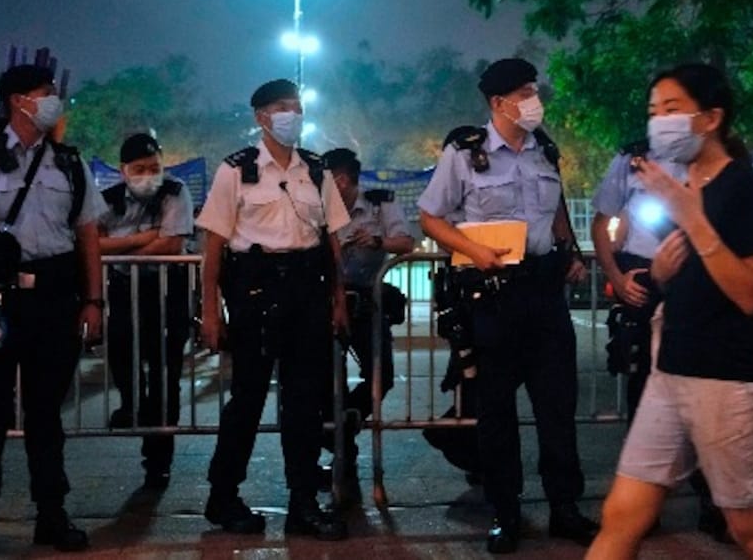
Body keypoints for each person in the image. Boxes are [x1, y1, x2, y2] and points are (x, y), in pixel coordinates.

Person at [588, 64, 753, 560]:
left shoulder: (741, 189)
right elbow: (694, 275)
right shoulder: (677, 187)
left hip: (728, 379)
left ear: (711, 117)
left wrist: (693, 220)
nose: (659, 122)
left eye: (672, 110)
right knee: (622, 514)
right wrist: (663, 272)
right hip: (671, 368)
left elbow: (751, 295)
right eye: (654, 111)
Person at [418, 57, 599, 554]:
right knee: (497, 411)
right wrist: (472, 251)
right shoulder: (464, 151)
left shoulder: (545, 149)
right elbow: (430, 216)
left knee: (557, 404)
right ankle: (506, 512)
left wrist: (571, 253)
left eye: (533, 89)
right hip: (494, 294)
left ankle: (565, 506)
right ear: (498, 103)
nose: (533, 99)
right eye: (523, 92)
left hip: (544, 291)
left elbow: (556, 210)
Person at [0, 64, 106, 559]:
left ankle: (52, 515)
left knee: (46, 415)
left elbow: (88, 235)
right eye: (43, 94)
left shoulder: (69, 164)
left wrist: (93, 301)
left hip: (54, 298)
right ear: (16, 101)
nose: (53, 102)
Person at [197, 78, 350, 541]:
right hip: (255, 294)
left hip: (307, 291)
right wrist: (209, 312)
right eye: (284, 108)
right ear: (261, 117)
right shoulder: (236, 170)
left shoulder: (317, 171)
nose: (294, 116)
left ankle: (303, 503)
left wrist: (339, 300)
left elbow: (334, 243)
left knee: (304, 403)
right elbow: (214, 246)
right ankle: (223, 496)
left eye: (298, 107)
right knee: (246, 401)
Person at [98, 133, 194, 489]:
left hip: (167, 292)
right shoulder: (106, 199)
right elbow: (90, 244)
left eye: (154, 167)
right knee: (121, 352)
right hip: (124, 292)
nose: (148, 175)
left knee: (165, 378)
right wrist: (139, 240)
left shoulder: (174, 191)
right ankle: (131, 406)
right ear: (123, 171)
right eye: (139, 169)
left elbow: (171, 243)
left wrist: (116, 252)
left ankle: (158, 461)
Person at [319, 147, 415, 503]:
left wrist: (378, 241)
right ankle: (343, 453)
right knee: (330, 381)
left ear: (343, 180)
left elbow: (407, 242)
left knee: (381, 376)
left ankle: (347, 424)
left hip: (367, 301)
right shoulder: (317, 207)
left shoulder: (378, 203)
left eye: (330, 181)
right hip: (327, 303)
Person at [590, 139, 685, 418]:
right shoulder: (633, 158)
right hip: (644, 277)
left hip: (693, 280)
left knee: (693, 373)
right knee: (645, 374)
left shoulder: (709, 155)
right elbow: (601, 224)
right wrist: (617, 278)